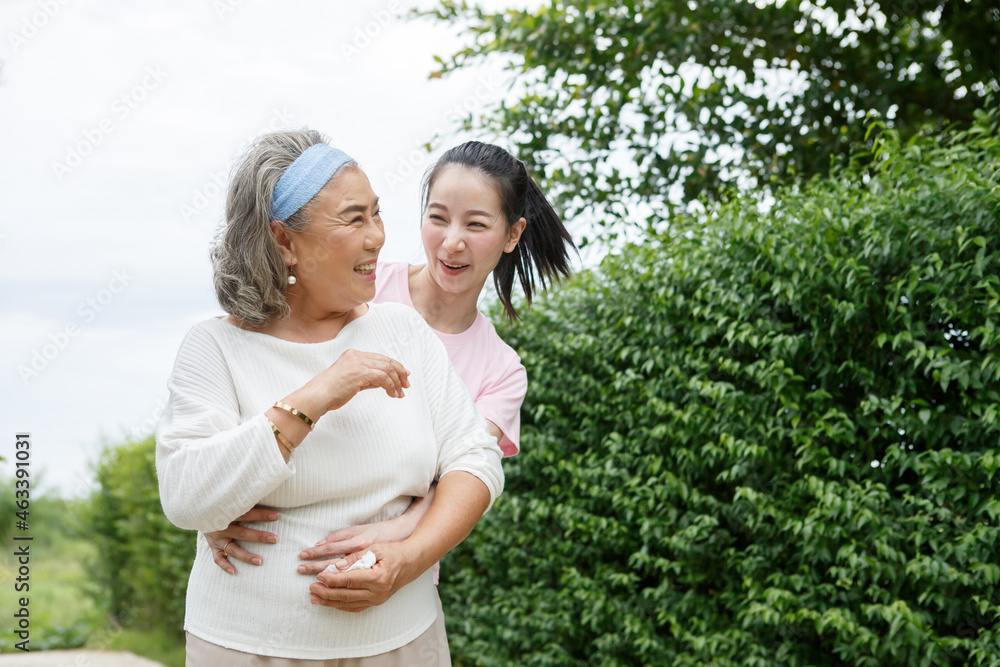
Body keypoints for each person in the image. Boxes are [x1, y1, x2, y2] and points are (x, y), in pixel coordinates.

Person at [155, 129, 504, 666]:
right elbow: (186, 497)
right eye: (354, 218)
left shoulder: (402, 330)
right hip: (249, 649)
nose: (378, 237)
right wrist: (315, 396)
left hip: (405, 644)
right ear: (283, 241)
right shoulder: (215, 347)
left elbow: (474, 459)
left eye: (377, 213)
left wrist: (407, 561)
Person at [205, 141, 574, 578]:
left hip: (400, 580)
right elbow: (254, 373)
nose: (452, 242)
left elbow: (464, 476)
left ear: (512, 234)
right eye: (437, 218)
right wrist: (214, 508)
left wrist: (399, 533)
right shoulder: (360, 288)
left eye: (475, 225)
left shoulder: (502, 372)